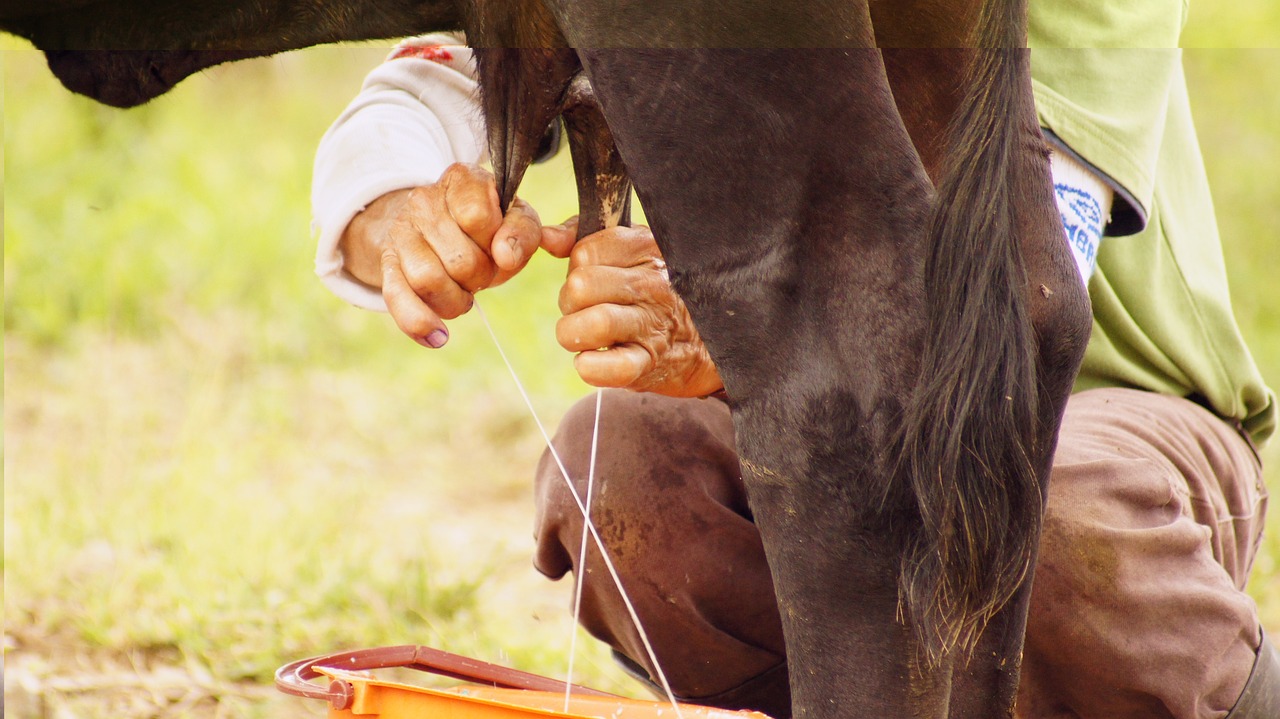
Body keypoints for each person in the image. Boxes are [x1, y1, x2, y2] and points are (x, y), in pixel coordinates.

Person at [311, 30, 1278, 719]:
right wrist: (399, 215)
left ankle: (1232, 696)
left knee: (1023, 513)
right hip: (809, 412)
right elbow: (441, 79)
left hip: (1099, 416)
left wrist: (741, 324)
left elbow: (1016, 321)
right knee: (621, 468)